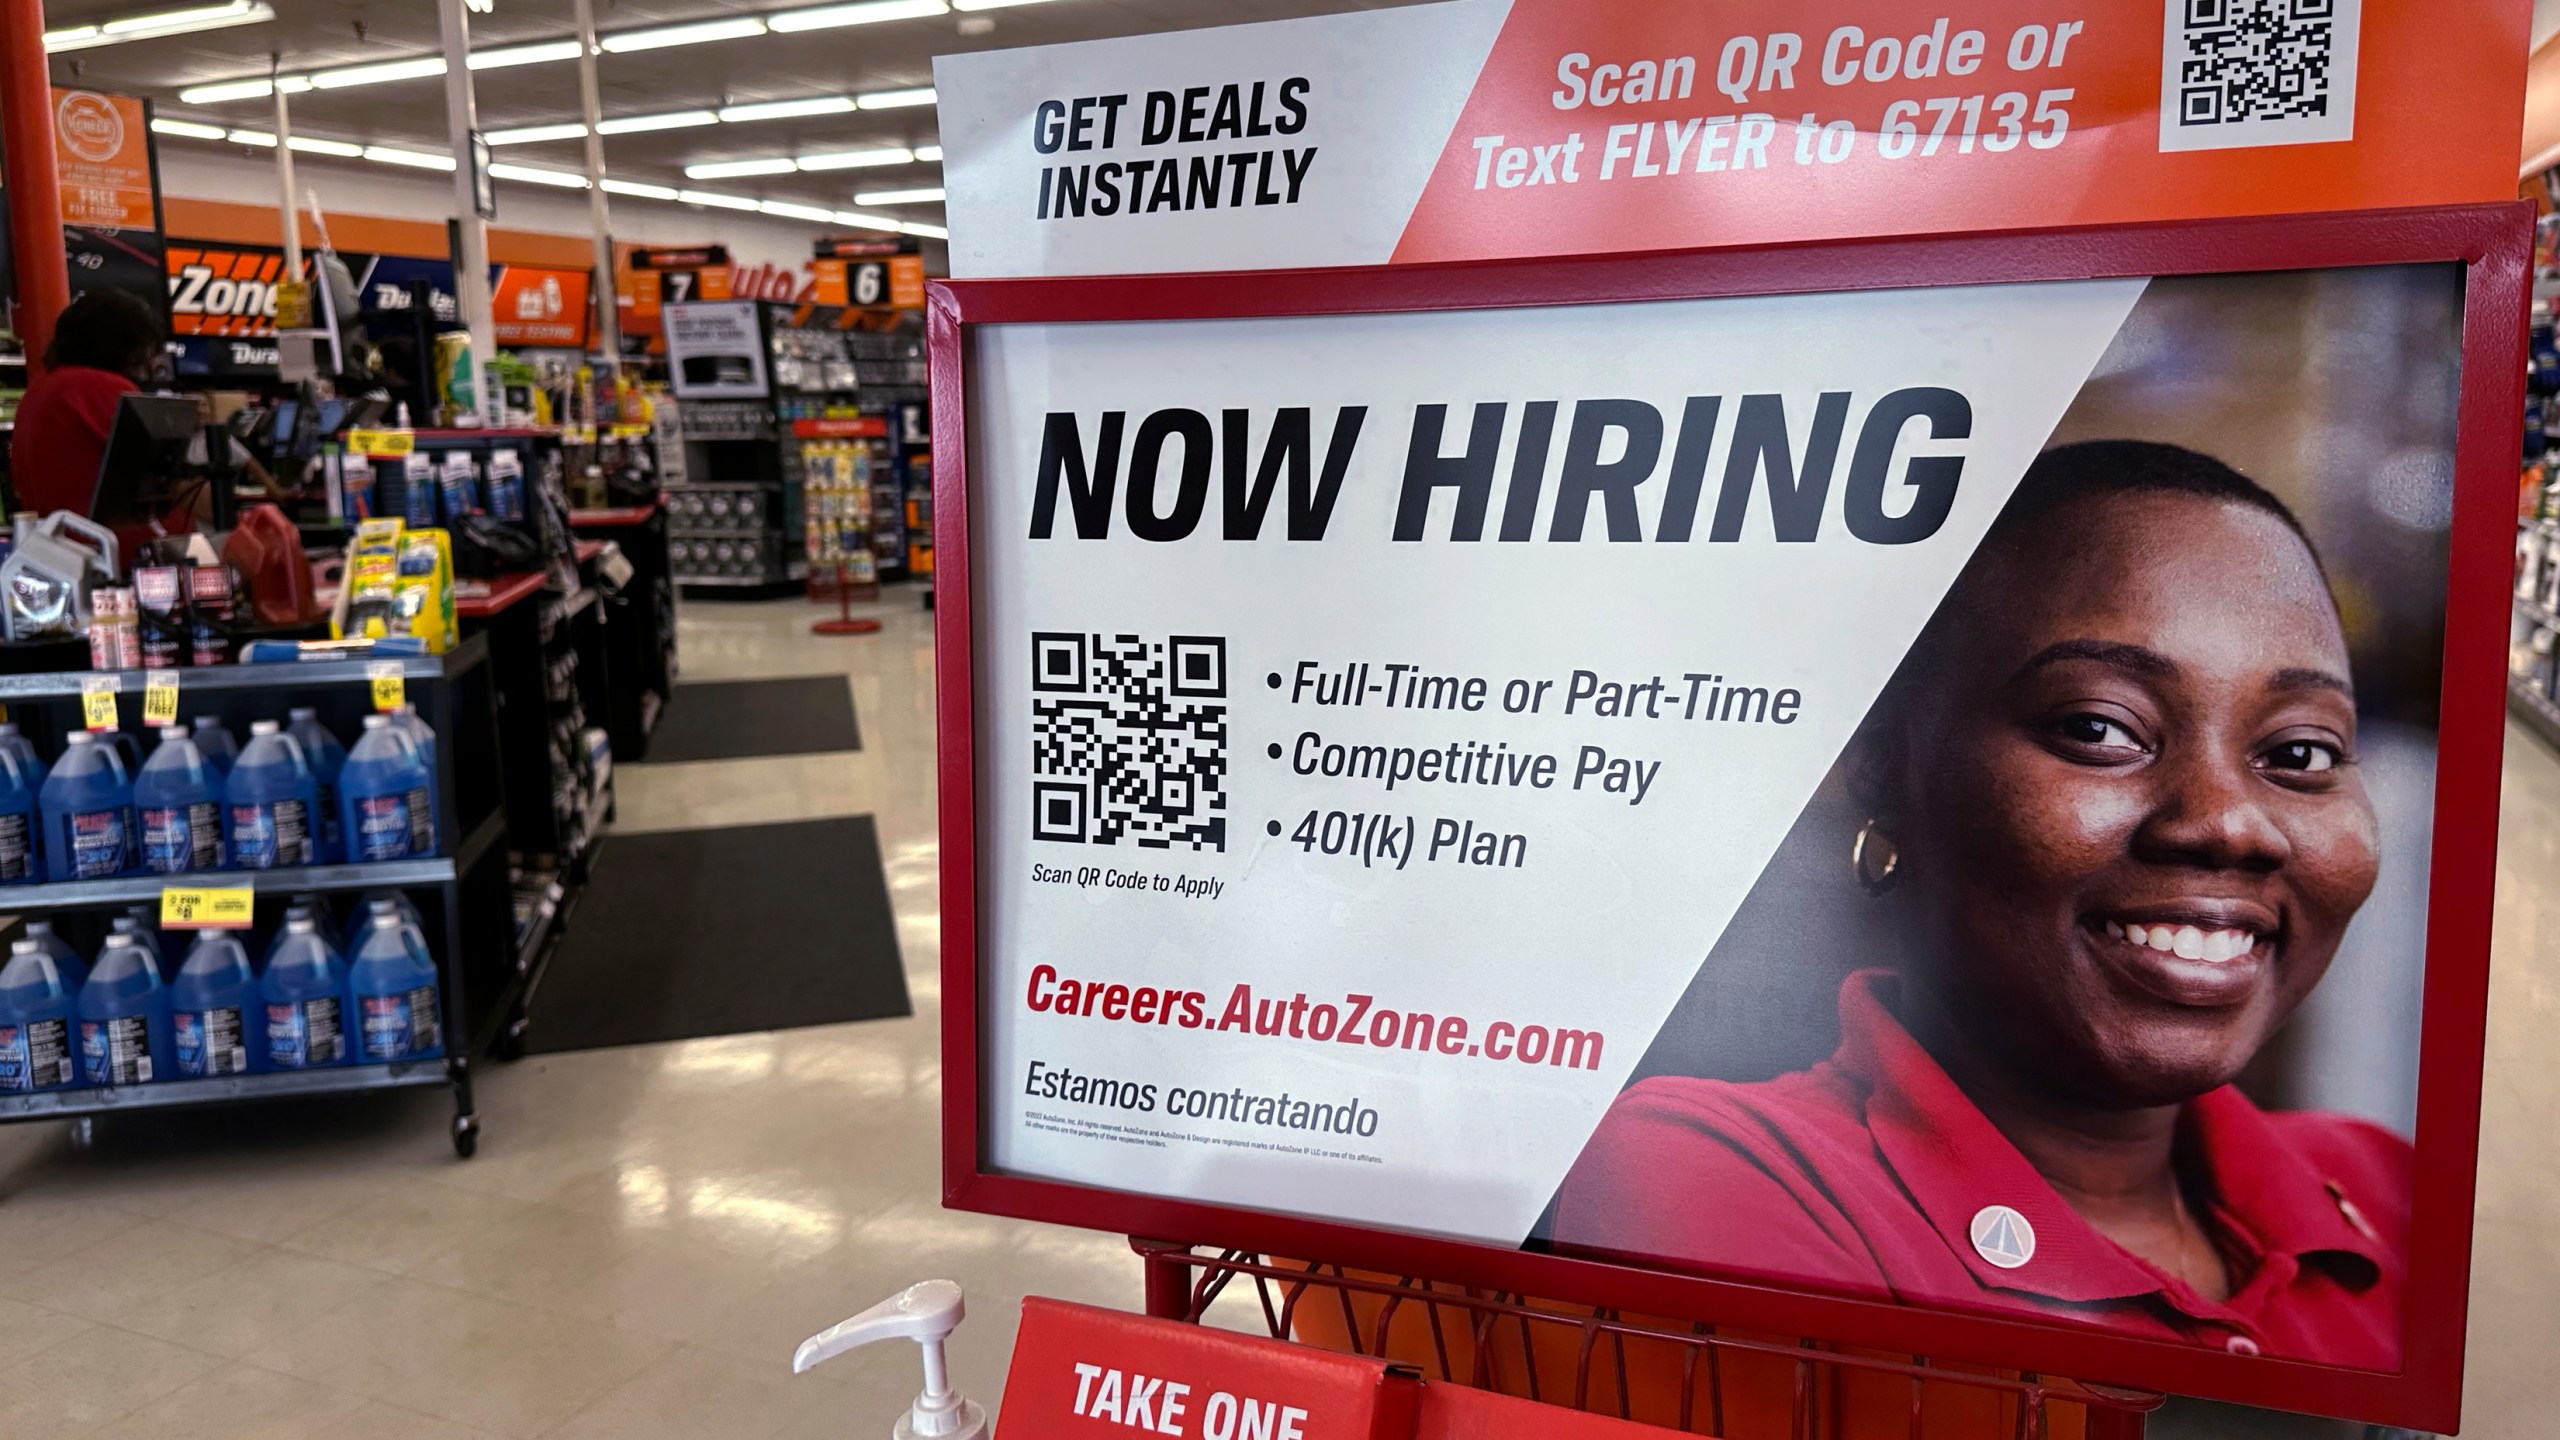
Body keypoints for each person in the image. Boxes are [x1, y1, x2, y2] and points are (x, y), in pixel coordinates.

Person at [1553, 441, 2407, 1369]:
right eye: (2099, 729)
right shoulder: (1725, 1173)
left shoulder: (2388, 1189)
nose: (2228, 824)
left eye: (2303, 753)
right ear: (1882, 767)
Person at [10, 288, 166, 518]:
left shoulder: (43, 387)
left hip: (57, 539)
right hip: (110, 543)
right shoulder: (100, 387)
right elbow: (162, 473)